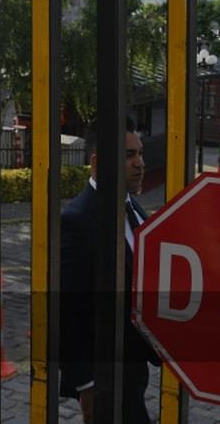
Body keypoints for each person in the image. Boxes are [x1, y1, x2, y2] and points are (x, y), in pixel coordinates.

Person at [60, 118, 159, 423]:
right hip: (105, 376)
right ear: (97, 163)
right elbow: (66, 310)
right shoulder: (76, 220)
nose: (140, 163)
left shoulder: (134, 207)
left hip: (134, 365)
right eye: (129, 155)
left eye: (140, 153)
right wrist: (85, 385)